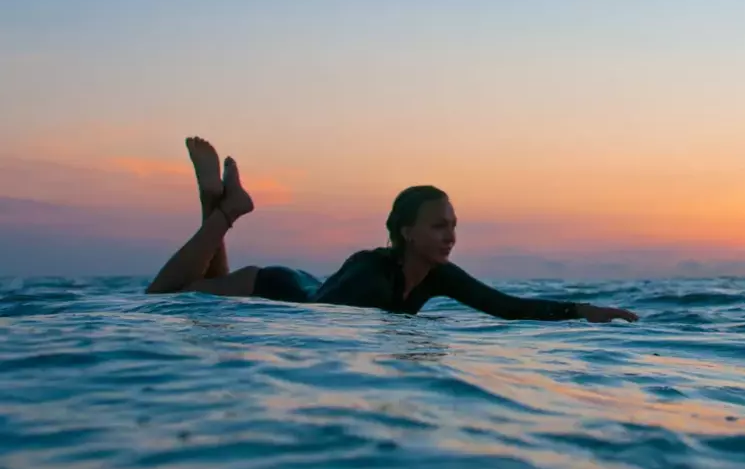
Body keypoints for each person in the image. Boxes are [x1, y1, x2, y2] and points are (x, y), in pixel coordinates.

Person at [145, 137, 638, 323]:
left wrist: (584, 311)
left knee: (195, 300)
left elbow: (505, 307)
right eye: (439, 226)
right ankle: (227, 212)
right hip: (273, 287)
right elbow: (320, 319)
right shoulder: (371, 275)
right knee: (166, 297)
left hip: (299, 283)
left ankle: (216, 204)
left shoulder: (436, 273)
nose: (451, 236)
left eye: (453, 226)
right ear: (407, 232)